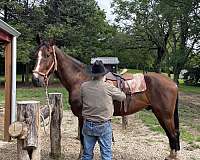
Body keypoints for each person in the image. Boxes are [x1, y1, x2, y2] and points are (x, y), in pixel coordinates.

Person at [81, 60, 126, 160]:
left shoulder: (83, 86)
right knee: (106, 155)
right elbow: (122, 97)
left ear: (92, 74)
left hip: (88, 124)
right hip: (103, 125)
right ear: (104, 75)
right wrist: (112, 86)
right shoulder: (108, 87)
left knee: (87, 154)